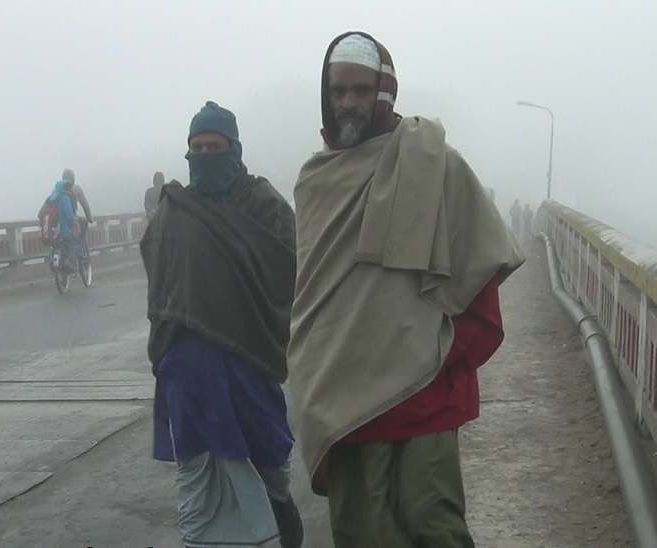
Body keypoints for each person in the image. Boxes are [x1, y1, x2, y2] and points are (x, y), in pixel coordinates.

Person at [288, 31, 526, 547]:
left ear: (385, 92)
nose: (348, 102)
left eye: (360, 90)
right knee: (363, 534)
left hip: (424, 391)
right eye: (337, 91)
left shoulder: (434, 162)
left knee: (432, 526)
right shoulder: (315, 182)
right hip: (347, 400)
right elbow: (313, 303)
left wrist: (437, 356)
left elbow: (478, 275)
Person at [141, 101, 303, 548]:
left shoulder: (265, 206)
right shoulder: (173, 211)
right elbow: (160, 286)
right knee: (194, 488)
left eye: (215, 146)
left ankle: (283, 518)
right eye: (197, 147)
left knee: (273, 471)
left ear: (235, 149)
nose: (205, 154)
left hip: (252, 365)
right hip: (189, 378)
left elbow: (290, 274)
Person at [38, 169, 79, 271]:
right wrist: (71, 227)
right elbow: (70, 217)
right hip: (61, 231)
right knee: (70, 239)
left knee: (54, 244)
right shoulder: (65, 198)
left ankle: (52, 260)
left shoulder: (50, 198)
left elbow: (40, 214)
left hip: (50, 231)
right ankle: (66, 261)